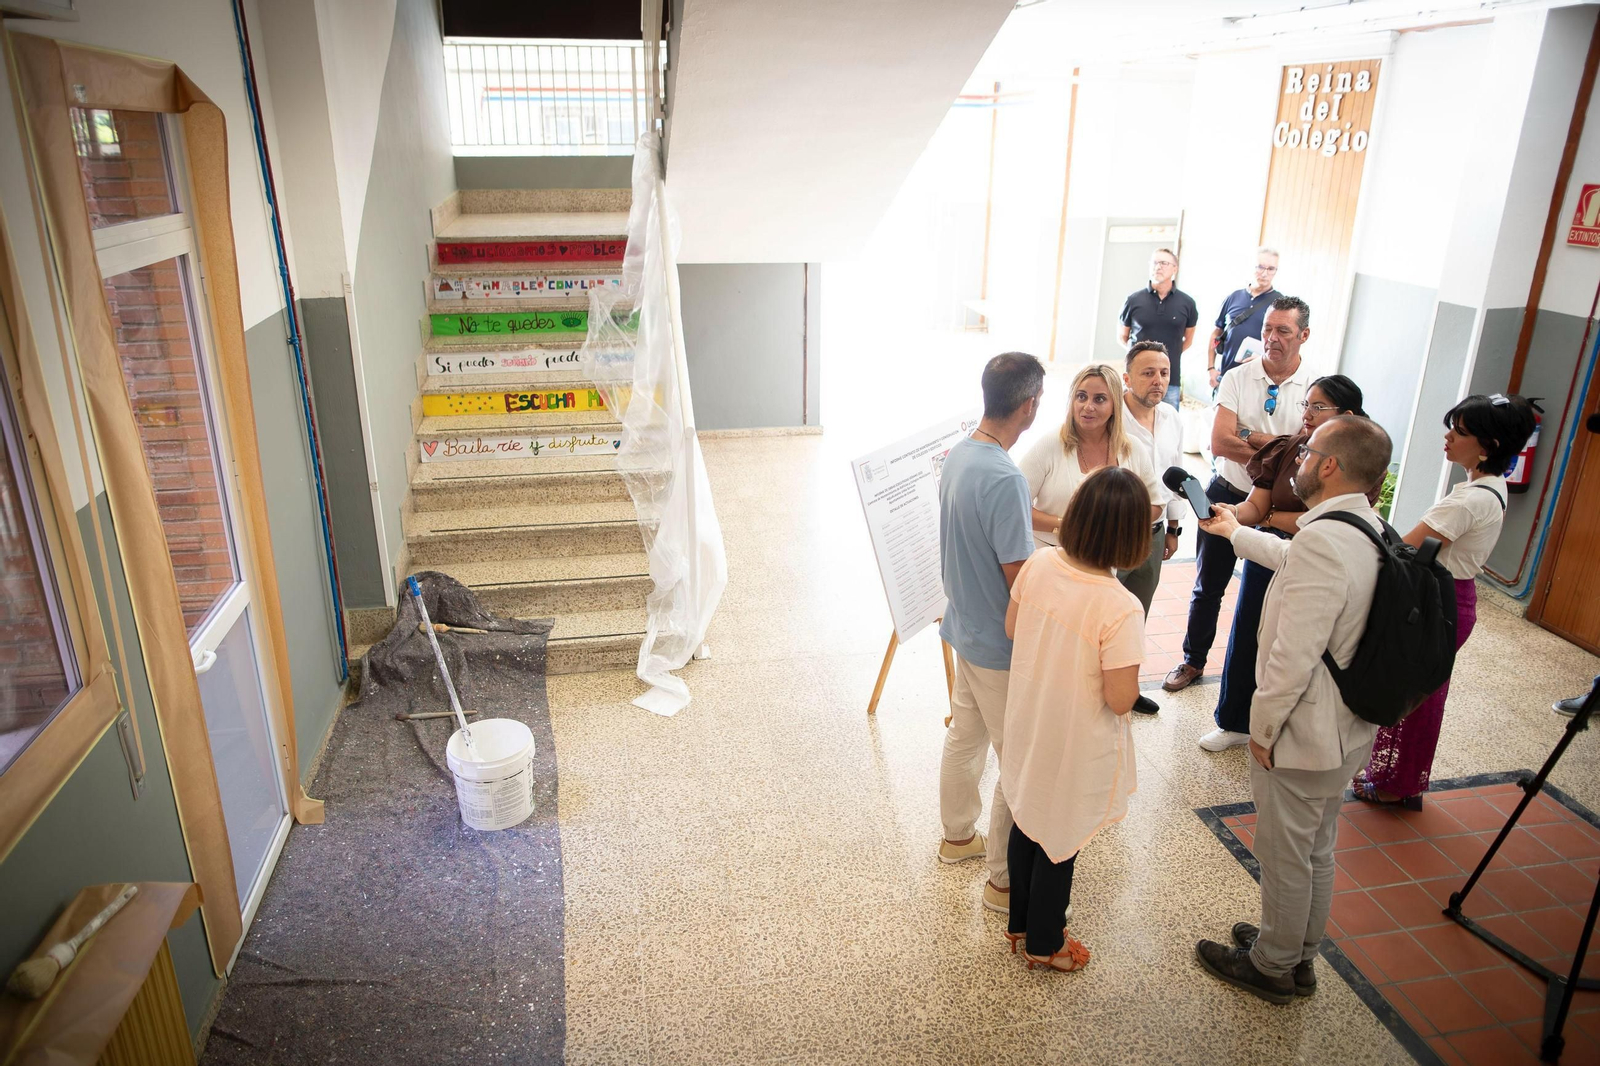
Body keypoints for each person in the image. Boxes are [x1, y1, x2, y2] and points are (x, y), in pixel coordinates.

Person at [1194, 415, 1395, 1004]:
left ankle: (1272, 965)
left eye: (1308, 451)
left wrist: (1261, 729)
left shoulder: (1326, 543)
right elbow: (1294, 559)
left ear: (1329, 466)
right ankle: (1300, 951)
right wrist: (1235, 531)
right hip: (1346, 729)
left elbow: (1290, 657)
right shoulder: (1364, 527)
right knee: (1316, 845)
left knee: (1284, 854)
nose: (1299, 458)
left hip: (1304, 734)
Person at [1351, 394, 1538, 807]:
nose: (1448, 436)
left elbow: (1405, 552)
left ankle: (1395, 786)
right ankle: (1398, 780)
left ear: (1487, 446)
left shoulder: (1469, 500)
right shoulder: (1485, 487)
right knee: (1420, 692)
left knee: (1414, 696)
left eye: (1461, 431)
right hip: (1452, 596)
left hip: (1437, 601)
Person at [1001, 466, 1149, 973]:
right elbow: (1121, 699)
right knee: (1060, 837)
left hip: (1031, 717)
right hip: (1075, 737)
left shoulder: (1039, 564)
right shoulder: (1120, 607)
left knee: (1026, 814)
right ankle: (1046, 942)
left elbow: (1012, 627)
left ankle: (1019, 922)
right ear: (1131, 537)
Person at [1200, 376, 1374, 752]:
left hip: (1317, 554)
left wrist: (1264, 521)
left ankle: (1286, 725)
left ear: (1346, 415)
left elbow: (1320, 520)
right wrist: (1234, 514)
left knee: (1297, 642)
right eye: (1305, 405)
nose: (1306, 414)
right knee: (1250, 632)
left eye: (1317, 407)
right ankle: (1234, 721)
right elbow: (1256, 507)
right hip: (1265, 552)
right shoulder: (1289, 448)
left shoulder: (1360, 463)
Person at [938, 352, 1046, 916]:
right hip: (1000, 647)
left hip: (964, 627)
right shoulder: (1005, 477)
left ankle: (958, 838)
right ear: (1029, 406)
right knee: (1017, 759)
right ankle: (1002, 883)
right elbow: (1019, 579)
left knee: (965, 736)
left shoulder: (960, 454)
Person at [1164, 296, 1314, 696]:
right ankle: (1193, 660)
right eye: (1268, 328)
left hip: (1277, 512)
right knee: (1206, 589)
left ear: (1304, 335)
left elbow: (1306, 454)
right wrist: (1280, 449)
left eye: (1283, 330)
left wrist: (1248, 434)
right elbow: (1221, 443)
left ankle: (1254, 676)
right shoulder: (1236, 377)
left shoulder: (1314, 388)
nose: (1271, 338)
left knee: (1264, 597)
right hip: (1227, 495)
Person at [1018, 364, 1163, 714]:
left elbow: (1155, 504)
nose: (1088, 407)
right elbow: (1016, 506)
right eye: (1081, 397)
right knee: (1057, 652)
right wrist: (1067, 525)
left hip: (1104, 569)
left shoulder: (1131, 450)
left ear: (1115, 404)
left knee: (1098, 643)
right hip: (1055, 564)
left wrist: (1118, 524)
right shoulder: (1051, 445)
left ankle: (1105, 691)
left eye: (1100, 399)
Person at [1119, 341, 1184, 713]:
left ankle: (1126, 689)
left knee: (1136, 616)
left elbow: (1175, 476)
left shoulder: (1172, 417)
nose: (1157, 381)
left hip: (1155, 535)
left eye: (1164, 373)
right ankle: (1090, 689)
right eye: (1148, 373)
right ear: (1127, 378)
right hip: (1116, 534)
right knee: (1104, 615)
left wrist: (1174, 528)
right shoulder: (1114, 419)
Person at [1117, 248, 1198, 408]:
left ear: (1175, 268)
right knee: (1130, 422)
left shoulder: (1187, 303)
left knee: (1167, 426)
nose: (1158, 267)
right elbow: (1123, 337)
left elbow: (1188, 340)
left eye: (1163, 263)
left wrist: (1167, 356)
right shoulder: (1133, 300)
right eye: (1154, 263)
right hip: (1137, 378)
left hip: (1170, 379)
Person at [1207, 248, 1281, 391]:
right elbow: (1217, 332)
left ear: (1276, 271)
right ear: (1252, 267)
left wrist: (1265, 360)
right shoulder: (1233, 297)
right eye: (1260, 267)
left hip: (1258, 381)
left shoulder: (1279, 303)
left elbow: (1284, 343)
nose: (1265, 273)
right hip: (1225, 378)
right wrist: (1210, 368)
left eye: (1271, 269)